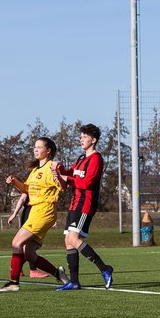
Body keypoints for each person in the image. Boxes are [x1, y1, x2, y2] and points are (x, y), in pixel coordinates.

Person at [0, 137, 65, 292]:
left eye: (39, 147)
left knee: (16, 243)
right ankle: (58, 274)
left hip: (44, 211)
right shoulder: (35, 170)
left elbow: (63, 186)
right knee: (28, 254)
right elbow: (26, 190)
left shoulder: (51, 167)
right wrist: (14, 181)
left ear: (48, 151)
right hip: (36, 211)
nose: (35, 150)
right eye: (34, 147)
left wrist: (58, 175)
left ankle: (13, 282)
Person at [58, 123, 114, 290]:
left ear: (94, 140)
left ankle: (105, 269)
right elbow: (70, 175)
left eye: (85, 137)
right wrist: (59, 168)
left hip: (85, 204)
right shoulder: (81, 159)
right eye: (80, 136)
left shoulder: (96, 159)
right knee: (68, 242)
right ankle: (74, 282)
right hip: (74, 204)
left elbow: (87, 182)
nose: (81, 139)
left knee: (74, 239)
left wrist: (66, 178)